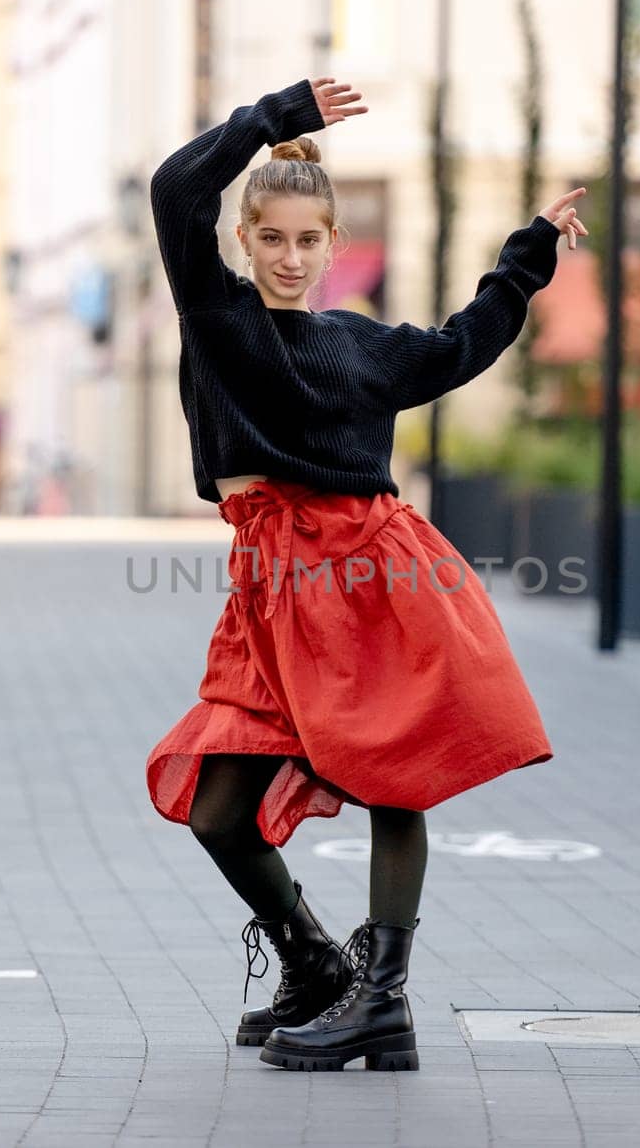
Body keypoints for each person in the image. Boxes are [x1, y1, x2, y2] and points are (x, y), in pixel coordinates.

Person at [144, 76, 586, 1073]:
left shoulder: (363, 348)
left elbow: (463, 343)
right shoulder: (217, 320)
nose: (290, 258)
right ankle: (317, 966)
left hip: (368, 571)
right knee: (219, 805)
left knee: (390, 770)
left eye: (309, 242)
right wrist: (279, 116)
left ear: (332, 248)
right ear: (245, 241)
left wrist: (528, 255)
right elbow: (177, 188)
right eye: (272, 239)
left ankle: (379, 1000)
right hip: (269, 579)